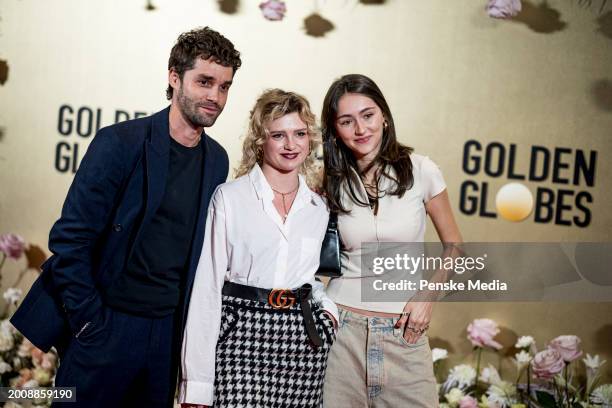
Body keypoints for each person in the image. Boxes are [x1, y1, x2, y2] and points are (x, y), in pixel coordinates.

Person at [10, 27, 241, 407]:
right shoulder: (119, 142)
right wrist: (89, 322)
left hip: (168, 335)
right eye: (204, 82)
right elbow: (70, 241)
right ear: (174, 77)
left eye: (224, 86)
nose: (215, 96)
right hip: (107, 324)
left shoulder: (217, 160)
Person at [179, 89, 339, 408]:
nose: (291, 145)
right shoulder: (229, 198)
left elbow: (310, 278)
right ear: (260, 141)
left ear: (310, 140)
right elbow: (207, 289)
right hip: (240, 334)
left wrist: (328, 312)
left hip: (301, 342)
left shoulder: (319, 207)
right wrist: (196, 384)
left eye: (299, 134)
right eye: (278, 135)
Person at [320, 74, 463, 407]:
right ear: (336, 130)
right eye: (347, 121)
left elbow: (455, 244)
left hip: (403, 332)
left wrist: (428, 296)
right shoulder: (329, 181)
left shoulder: (422, 170)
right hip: (342, 335)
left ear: (384, 115)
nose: (361, 129)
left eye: (367, 115)